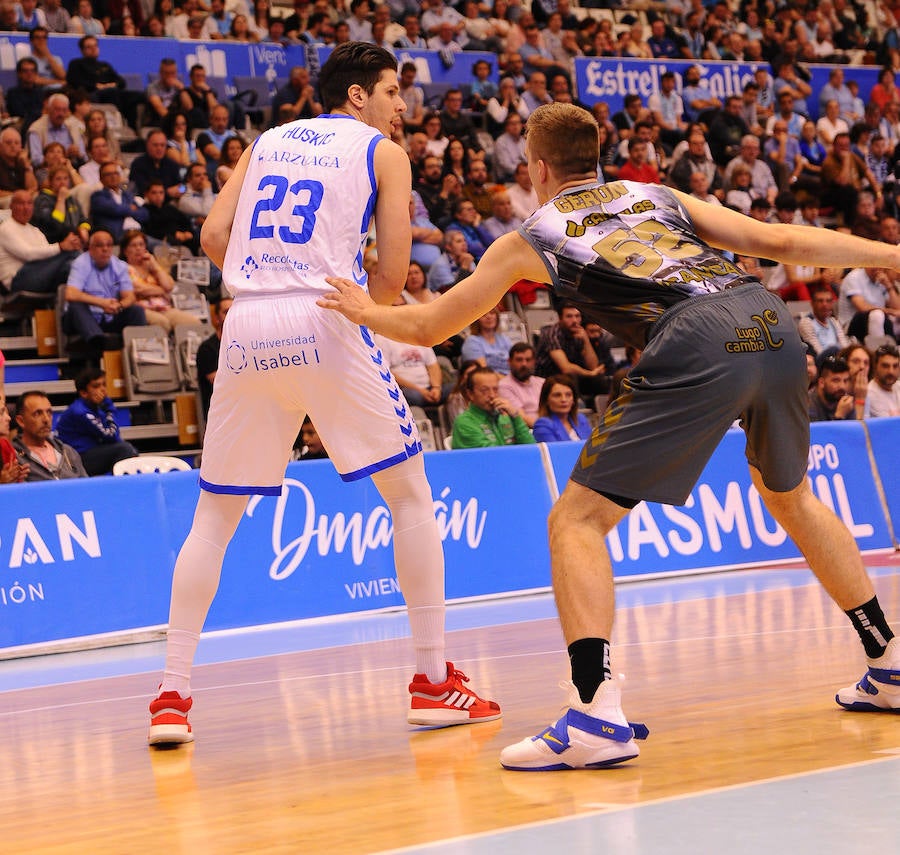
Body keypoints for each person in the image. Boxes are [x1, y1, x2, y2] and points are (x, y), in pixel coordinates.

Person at [319, 102, 900, 772]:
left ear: (536, 168)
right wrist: (889, 253)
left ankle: (594, 711)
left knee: (576, 521)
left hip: (694, 335)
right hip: (767, 322)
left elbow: (427, 329)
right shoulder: (656, 193)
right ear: (595, 156)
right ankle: (886, 662)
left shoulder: (534, 234)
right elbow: (784, 241)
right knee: (791, 496)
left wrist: (365, 310)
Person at [147, 43, 500, 748]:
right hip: (328, 314)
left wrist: (265, 274)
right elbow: (395, 282)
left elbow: (215, 234)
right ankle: (432, 679)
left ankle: (171, 694)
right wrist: (336, 281)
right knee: (409, 496)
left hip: (246, 320)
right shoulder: (382, 152)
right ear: (358, 96)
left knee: (213, 519)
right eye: (393, 90)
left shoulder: (266, 140)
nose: (404, 104)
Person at [63, 230, 147, 356]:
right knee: (76, 306)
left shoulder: (120, 266)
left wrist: (119, 306)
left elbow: (130, 296)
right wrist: (101, 303)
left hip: (109, 316)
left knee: (136, 310)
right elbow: (71, 294)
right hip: (81, 320)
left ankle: (139, 352)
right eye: (100, 245)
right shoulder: (81, 263)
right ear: (90, 249)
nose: (105, 249)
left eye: (109, 245)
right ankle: (100, 346)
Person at [55, 367, 139, 475]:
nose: (103, 389)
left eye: (104, 384)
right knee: (125, 450)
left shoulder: (95, 409)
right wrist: (109, 407)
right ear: (84, 393)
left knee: (129, 450)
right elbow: (111, 435)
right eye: (96, 386)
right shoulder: (80, 412)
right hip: (74, 460)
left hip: (87, 453)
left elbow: (114, 439)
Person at [120, 229, 202, 332]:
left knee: (194, 323)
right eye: (134, 245)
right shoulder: (122, 268)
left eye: (141, 245)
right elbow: (138, 289)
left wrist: (155, 265)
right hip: (143, 310)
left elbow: (169, 286)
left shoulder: (152, 266)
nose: (138, 248)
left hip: (164, 308)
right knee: (162, 323)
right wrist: (162, 290)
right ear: (125, 250)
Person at [0, 189, 81, 294]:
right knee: (70, 254)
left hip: (38, 274)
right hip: (18, 280)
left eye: (29, 203)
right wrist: (61, 246)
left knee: (70, 266)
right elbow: (28, 254)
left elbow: (48, 256)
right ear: (11, 206)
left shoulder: (35, 230)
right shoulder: (6, 228)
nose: (26, 208)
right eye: (21, 203)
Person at [450, 366, 534, 449]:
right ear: (470, 394)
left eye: (495, 389)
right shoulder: (464, 423)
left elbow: (531, 448)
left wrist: (516, 417)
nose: (492, 395)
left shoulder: (505, 418)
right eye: (484, 390)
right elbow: (492, 457)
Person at [12, 390, 88, 481]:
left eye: (49, 412)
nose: (46, 419)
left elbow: (87, 488)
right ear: (21, 421)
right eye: (37, 413)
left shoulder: (68, 452)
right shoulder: (14, 457)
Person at [196, 295, 232, 419]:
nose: (232, 315)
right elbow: (217, 380)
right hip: (220, 411)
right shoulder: (207, 348)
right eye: (227, 312)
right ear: (217, 318)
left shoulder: (248, 344)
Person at [532, 374, 592, 442]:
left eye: (568, 395)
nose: (564, 400)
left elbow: (592, 448)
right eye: (557, 395)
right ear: (546, 400)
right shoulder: (543, 425)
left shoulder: (581, 419)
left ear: (574, 400)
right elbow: (556, 452)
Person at [797, 285, 850, 362]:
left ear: (832, 303)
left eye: (828, 301)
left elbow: (844, 346)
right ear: (812, 303)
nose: (825, 304)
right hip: (821, 362)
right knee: (834, 349)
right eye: (820, 301)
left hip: (838, 360)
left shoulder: (834, 322)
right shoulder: (806, 322)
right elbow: (817, 351)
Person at [498, 341, 543, 428]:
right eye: (519, 360)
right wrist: (545, 429)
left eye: (528, 360)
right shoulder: (504, 386)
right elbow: (522, 418)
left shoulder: (542, 382)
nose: (524, 364)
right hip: (529, 430)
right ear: (509, 361)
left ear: (534, 362)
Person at [460, 307, 511, 374]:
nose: (489, 317)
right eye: (483, 314)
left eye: (492, 313)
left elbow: (516, 363)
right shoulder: (472, 342)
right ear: (476, 319)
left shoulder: (504, 339)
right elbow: (483, 372)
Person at [808, 354, 857, 421]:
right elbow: (817, 431)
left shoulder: (845, 402)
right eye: (836, 380)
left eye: (845, 381)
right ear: (821, 383)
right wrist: (839, 416)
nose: (842, 386)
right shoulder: (808, 405)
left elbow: (853, 430)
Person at [0, 392, 29, 484]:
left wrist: (15, 479)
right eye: (1, 413)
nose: (8, 418)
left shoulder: (4, 445)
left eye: (6, 412)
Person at [866, 342, 900, 417]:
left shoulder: (898, 386)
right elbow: (891, 426)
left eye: (895, 366)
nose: (891, 371)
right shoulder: (869, 395)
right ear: (875, 366)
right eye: (885, 366)